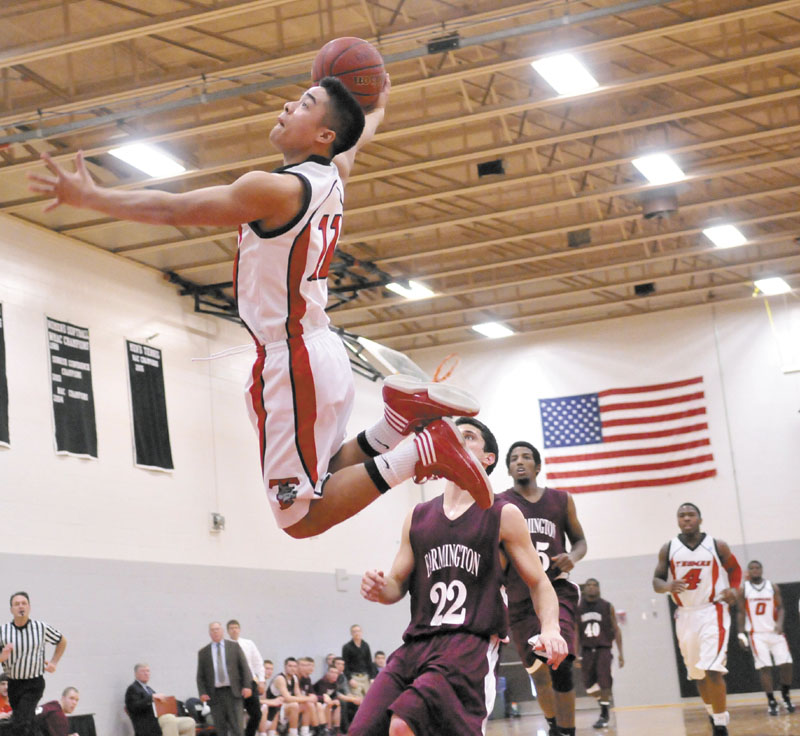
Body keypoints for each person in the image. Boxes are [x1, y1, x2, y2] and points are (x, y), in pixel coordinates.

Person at [28, 74, 494, 540]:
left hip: (290, 360)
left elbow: (174, 210)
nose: (290, 104)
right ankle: (397, 422)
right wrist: (377, 103)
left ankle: (423, 451)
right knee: (325, 475)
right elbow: (359, 134)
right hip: (317, 352)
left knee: (300, 517)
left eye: (306, 102)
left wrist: (91, 197)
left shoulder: (275, 189)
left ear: (324, 134)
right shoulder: (333, 172)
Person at [349, 417, 568, 736]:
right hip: (416, 643)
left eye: (468, 436)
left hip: (469, 644)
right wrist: (380, 588)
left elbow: (539, 582)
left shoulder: (502, 513)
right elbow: (396, 584)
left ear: (488, 458)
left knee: (402, 725)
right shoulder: (418, 515)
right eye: (453, 435)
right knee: (363, 730)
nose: (457, 440)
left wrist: (551, 628)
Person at [497, 442, 587, 736]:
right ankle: (553, 725)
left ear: (538, 466)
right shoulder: (499, 504)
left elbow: (580, 542)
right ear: (508, 468)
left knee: (560, 662)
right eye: (514, 459)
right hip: (519, 598)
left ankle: (568, 731)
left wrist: (571, 558)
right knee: (537, 671)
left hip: (556, 589)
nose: (519, 462)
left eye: (526, 457)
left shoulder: (560, 500)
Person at [652, 502, 742, 736]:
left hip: (713, 610)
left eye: (691, 514)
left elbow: (735, 570)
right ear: (678, 520)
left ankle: (721, 725)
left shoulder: (717, 545)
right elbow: (656, 581)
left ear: (700, 519)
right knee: (698, 674)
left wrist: (734, 589)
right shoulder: (668, 548)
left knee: (713, 669)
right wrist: (667, 586)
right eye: (681, 515)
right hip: (685, 615)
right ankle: (713, 716)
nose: (686, 518)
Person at [0, 591, 67, 736]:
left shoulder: (40, 628)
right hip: (14, 683)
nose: (20, 606)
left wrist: (54, 662)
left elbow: (62, 641)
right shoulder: (3, 631)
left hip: (33, 683)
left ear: (29, 607)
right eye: (16, 604)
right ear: (11, 609)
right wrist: (2, 656)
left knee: (21, 722)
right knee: (25, 722)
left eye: (24, 603)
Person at [736, 560, 795, 715]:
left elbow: (781, 608)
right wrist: (741, 633)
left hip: (775, 632)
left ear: (762, 570)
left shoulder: (772, 587)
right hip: (757, 635)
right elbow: (741, 613)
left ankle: (785, 694)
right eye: (752, 568)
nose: (755, 570)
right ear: (748, 572)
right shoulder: (744, 589)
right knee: (764, 667)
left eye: (757, 567)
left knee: (787, 663)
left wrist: (780, 624)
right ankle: (771, 700)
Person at [577, 578, 624, 729]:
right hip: (586, 651)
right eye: (588, 585)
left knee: (605, 682)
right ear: (584, 590)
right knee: (589, 686)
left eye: (594, 585)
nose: (591, 588)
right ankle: (603, 702)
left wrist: (621, 653)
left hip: (603, 649)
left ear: (599, 588)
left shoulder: (606, 606)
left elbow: (616, 629)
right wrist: (574, 653)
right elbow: (575, 631)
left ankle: (604, 714)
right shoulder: (578, 607)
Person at [197, 621, 252, 736]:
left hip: (233, 693)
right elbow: (200, 676)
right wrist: (202, 692)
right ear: (209, 633)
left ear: (222, 631)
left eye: (217, 629)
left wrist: (247, 686)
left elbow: (245, 668)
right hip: (215, 695)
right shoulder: (203, 652)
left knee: (237, 728)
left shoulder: (234, 646)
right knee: (220, 728)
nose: (215, 631)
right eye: (212, 630)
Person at [125, 663, 196, 736]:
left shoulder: (149, 689)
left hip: (159, 719)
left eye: (148, 671)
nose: (146, 674)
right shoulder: (132, 689)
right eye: (143, 671)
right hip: (147, 722)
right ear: (136, 674)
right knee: (169, 719)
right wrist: (151, 697)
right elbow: (133, 707)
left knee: (189, 722)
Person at [226, 620, 266, 736]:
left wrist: (262, 681)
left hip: (250, 681)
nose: (234, 630)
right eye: (232, 628)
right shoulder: (225, 646)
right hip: (233, 685)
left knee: (257, 714)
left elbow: (258, 662)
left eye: (236, 627)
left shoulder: (249, 643)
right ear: (228, 631)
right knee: (236, 714)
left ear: (239, 629)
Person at [268, 658, 304, 736]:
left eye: (294, 666)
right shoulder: (280, 678)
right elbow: (288, 698)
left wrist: (310, 699)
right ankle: (292, 733)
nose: (292, 668)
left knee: (307, 705)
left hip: (283, 707)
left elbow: (299, 696)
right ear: (285, 667)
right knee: (294, 705)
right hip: (272, 709)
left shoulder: (294, 678)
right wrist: (308, 698)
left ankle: (306, 731)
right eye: (290, 666)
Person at [341, 626, 376, 699]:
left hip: (365, 676)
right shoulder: (347, 647)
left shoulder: (365, 645)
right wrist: (349, 678)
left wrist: (372, 677)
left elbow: (369, 662)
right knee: (358, 700)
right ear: (351, 633)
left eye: (358, 631)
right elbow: (345, 665)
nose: (357, 633)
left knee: (369, 699)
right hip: (354, 677)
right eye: (354, 631)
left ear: (361, 632)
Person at [333, 657, 361, 733]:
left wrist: (355, 698)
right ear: (333, 665)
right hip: (333, 698)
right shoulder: (332, 675)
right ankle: (345, 730)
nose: (341, 666)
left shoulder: (343, 676)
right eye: (338, 664)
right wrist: (352, 699)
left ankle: (357, 728)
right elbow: (337, 694)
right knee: (343, 703)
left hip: (342, 697)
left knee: (357, 703)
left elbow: (347, 692)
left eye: (342, 664)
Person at [296, 658, 323, 736]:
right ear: (297, 666)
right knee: (309, 704)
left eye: (307, 665)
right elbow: (295, 696)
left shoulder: (306, 679)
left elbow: (313, 694)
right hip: (287, 704)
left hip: (300, 703)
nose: (306, 668)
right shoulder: (294, 678)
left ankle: (323, 729)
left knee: (317, 705)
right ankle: (317, 730)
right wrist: (309, 698)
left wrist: (313, 698)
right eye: (303, 665)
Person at [313, 667, 341, 735]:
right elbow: (323, 698)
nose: (334, 675)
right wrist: (331, 701)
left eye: (336, 673)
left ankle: (336, 729)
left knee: (338, 704)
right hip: (317, 703)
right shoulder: (322, 682)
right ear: (327, 673)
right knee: (329, 704)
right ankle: (328, 728)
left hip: (326, 703)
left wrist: (335, 700)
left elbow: (334, 696)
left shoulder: (335, 684)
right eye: (332, 672)